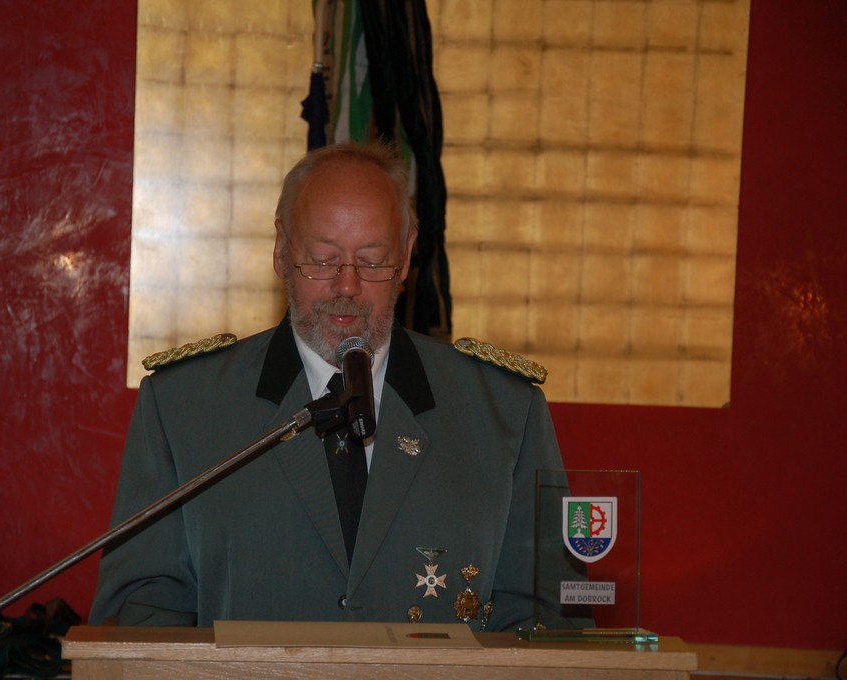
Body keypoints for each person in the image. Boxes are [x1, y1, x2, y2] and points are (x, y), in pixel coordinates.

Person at [90, 142, 582, 631]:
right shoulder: (183, 406)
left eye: (372, 260)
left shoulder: (503, 411)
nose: (347, 286)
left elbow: (547, 621)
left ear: (406, 255)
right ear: (282, 250)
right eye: (322, 259)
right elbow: (141, 613)